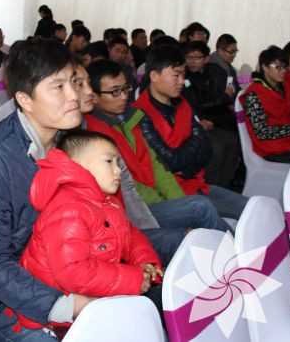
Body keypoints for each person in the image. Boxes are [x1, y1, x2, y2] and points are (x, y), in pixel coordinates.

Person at [0, 39, 93, 341]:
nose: (74, 94)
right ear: (25, 100)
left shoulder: (74, 138)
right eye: (58, 87)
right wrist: (64, 306)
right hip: (0, 303)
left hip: (66, 272)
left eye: (74, 81)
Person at [85, 59, 232, 254]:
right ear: (94, 96)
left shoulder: (131, 119)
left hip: (160, 198)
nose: (124, 96)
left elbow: (157, 166)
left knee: (200, 207)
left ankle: (236, 255)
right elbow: (126, 185)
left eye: (126, 89)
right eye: (115, 92)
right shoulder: (94, 133)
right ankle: (238, 256)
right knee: (200, 207)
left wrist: (178, 202)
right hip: (134, 209)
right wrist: (169, 203)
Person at [18, 131, 162, 330]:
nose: (118, 170)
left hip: (95, 295)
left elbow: (129, 233)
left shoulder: (107, 202)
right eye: (109, 161)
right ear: (79, 166)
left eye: (117, 162)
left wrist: (144, 261)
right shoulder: (68, 209)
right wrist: (133, 279)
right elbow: (73, 272)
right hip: (60, 315)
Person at [135, 45, 248, 221]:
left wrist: (186, 171)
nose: (182, 81)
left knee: (254, 207)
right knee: (247, 217)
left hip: (198, 184)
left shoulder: (181, 103)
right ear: (154, 75)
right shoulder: (140, 115)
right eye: (176, 75)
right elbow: (170, 163)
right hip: (173, 194)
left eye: (183, 75)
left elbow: (206, 146)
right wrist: (196, 139)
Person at [240, 45, 290, 163]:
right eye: (278, 67)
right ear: (265, 67)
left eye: (285, 67)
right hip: (272, 150)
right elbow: (262, 132)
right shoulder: (253, 95)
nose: (283, 71)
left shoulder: (282, 87)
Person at [182, 41, 240, 184]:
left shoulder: (216, 71)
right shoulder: (184, 76)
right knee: (217, 147)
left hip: (218, 119)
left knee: (236, 142)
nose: (192, 61)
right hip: (199, 120)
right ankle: (210, 185)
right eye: (188, 57)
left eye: (197, 57)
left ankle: (224, 183)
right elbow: (196, 105)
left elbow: (224, 96)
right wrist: (223, 98)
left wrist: (223, 99)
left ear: (206, 58)